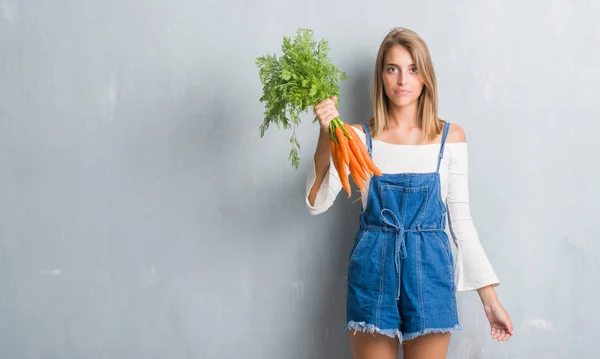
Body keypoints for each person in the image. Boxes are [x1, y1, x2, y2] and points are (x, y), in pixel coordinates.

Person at [305, 27, 513, 359]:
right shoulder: (358, 137)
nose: (403, 79)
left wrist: (491, 302)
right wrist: (326, 133)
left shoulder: (450, 137)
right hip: (373, 271)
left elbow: (462, 225)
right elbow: (316, 203)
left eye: (413, 69)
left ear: (425, 77)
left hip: (430, 271)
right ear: (381, 77)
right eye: (393, 69)